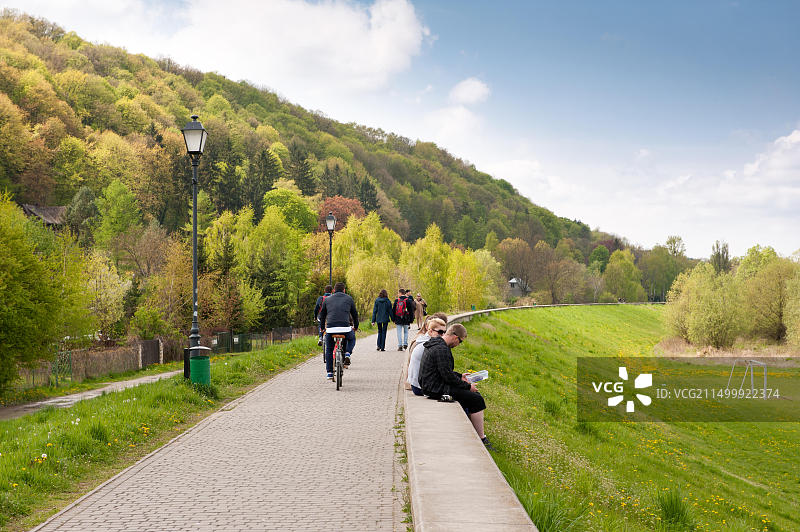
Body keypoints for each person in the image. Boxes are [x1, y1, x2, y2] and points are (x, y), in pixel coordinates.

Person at [418, 323, 493, 449]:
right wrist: (467, 386)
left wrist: (460, 377)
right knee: (476, 399)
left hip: (431, 385)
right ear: (454, 336)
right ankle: (481, 438)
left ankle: (476, 432)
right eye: (460, 342)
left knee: (472, 396)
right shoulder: (442, 349)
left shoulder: (437, 343)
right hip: (434, 389)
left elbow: (444, 371)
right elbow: (447, 376)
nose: (459, 345)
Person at [318, 282, 359, 380]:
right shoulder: (349, 298)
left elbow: (322, 315)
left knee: (329, 349)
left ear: (334, 290)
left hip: (331, 328)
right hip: (345, 327)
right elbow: (355, 314)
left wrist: (322, 328)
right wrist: (355, 327)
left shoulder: (327, 300)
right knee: (352, 338)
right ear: (344, 290)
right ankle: (348, 353)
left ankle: (329, 373)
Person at [407, 317, 446, 396]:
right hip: (419, 387)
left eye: (445, 332)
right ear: (430, 331)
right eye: (440, 332)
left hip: (415, 384)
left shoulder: (422, 340)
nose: (443, 335)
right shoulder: (428, 345)